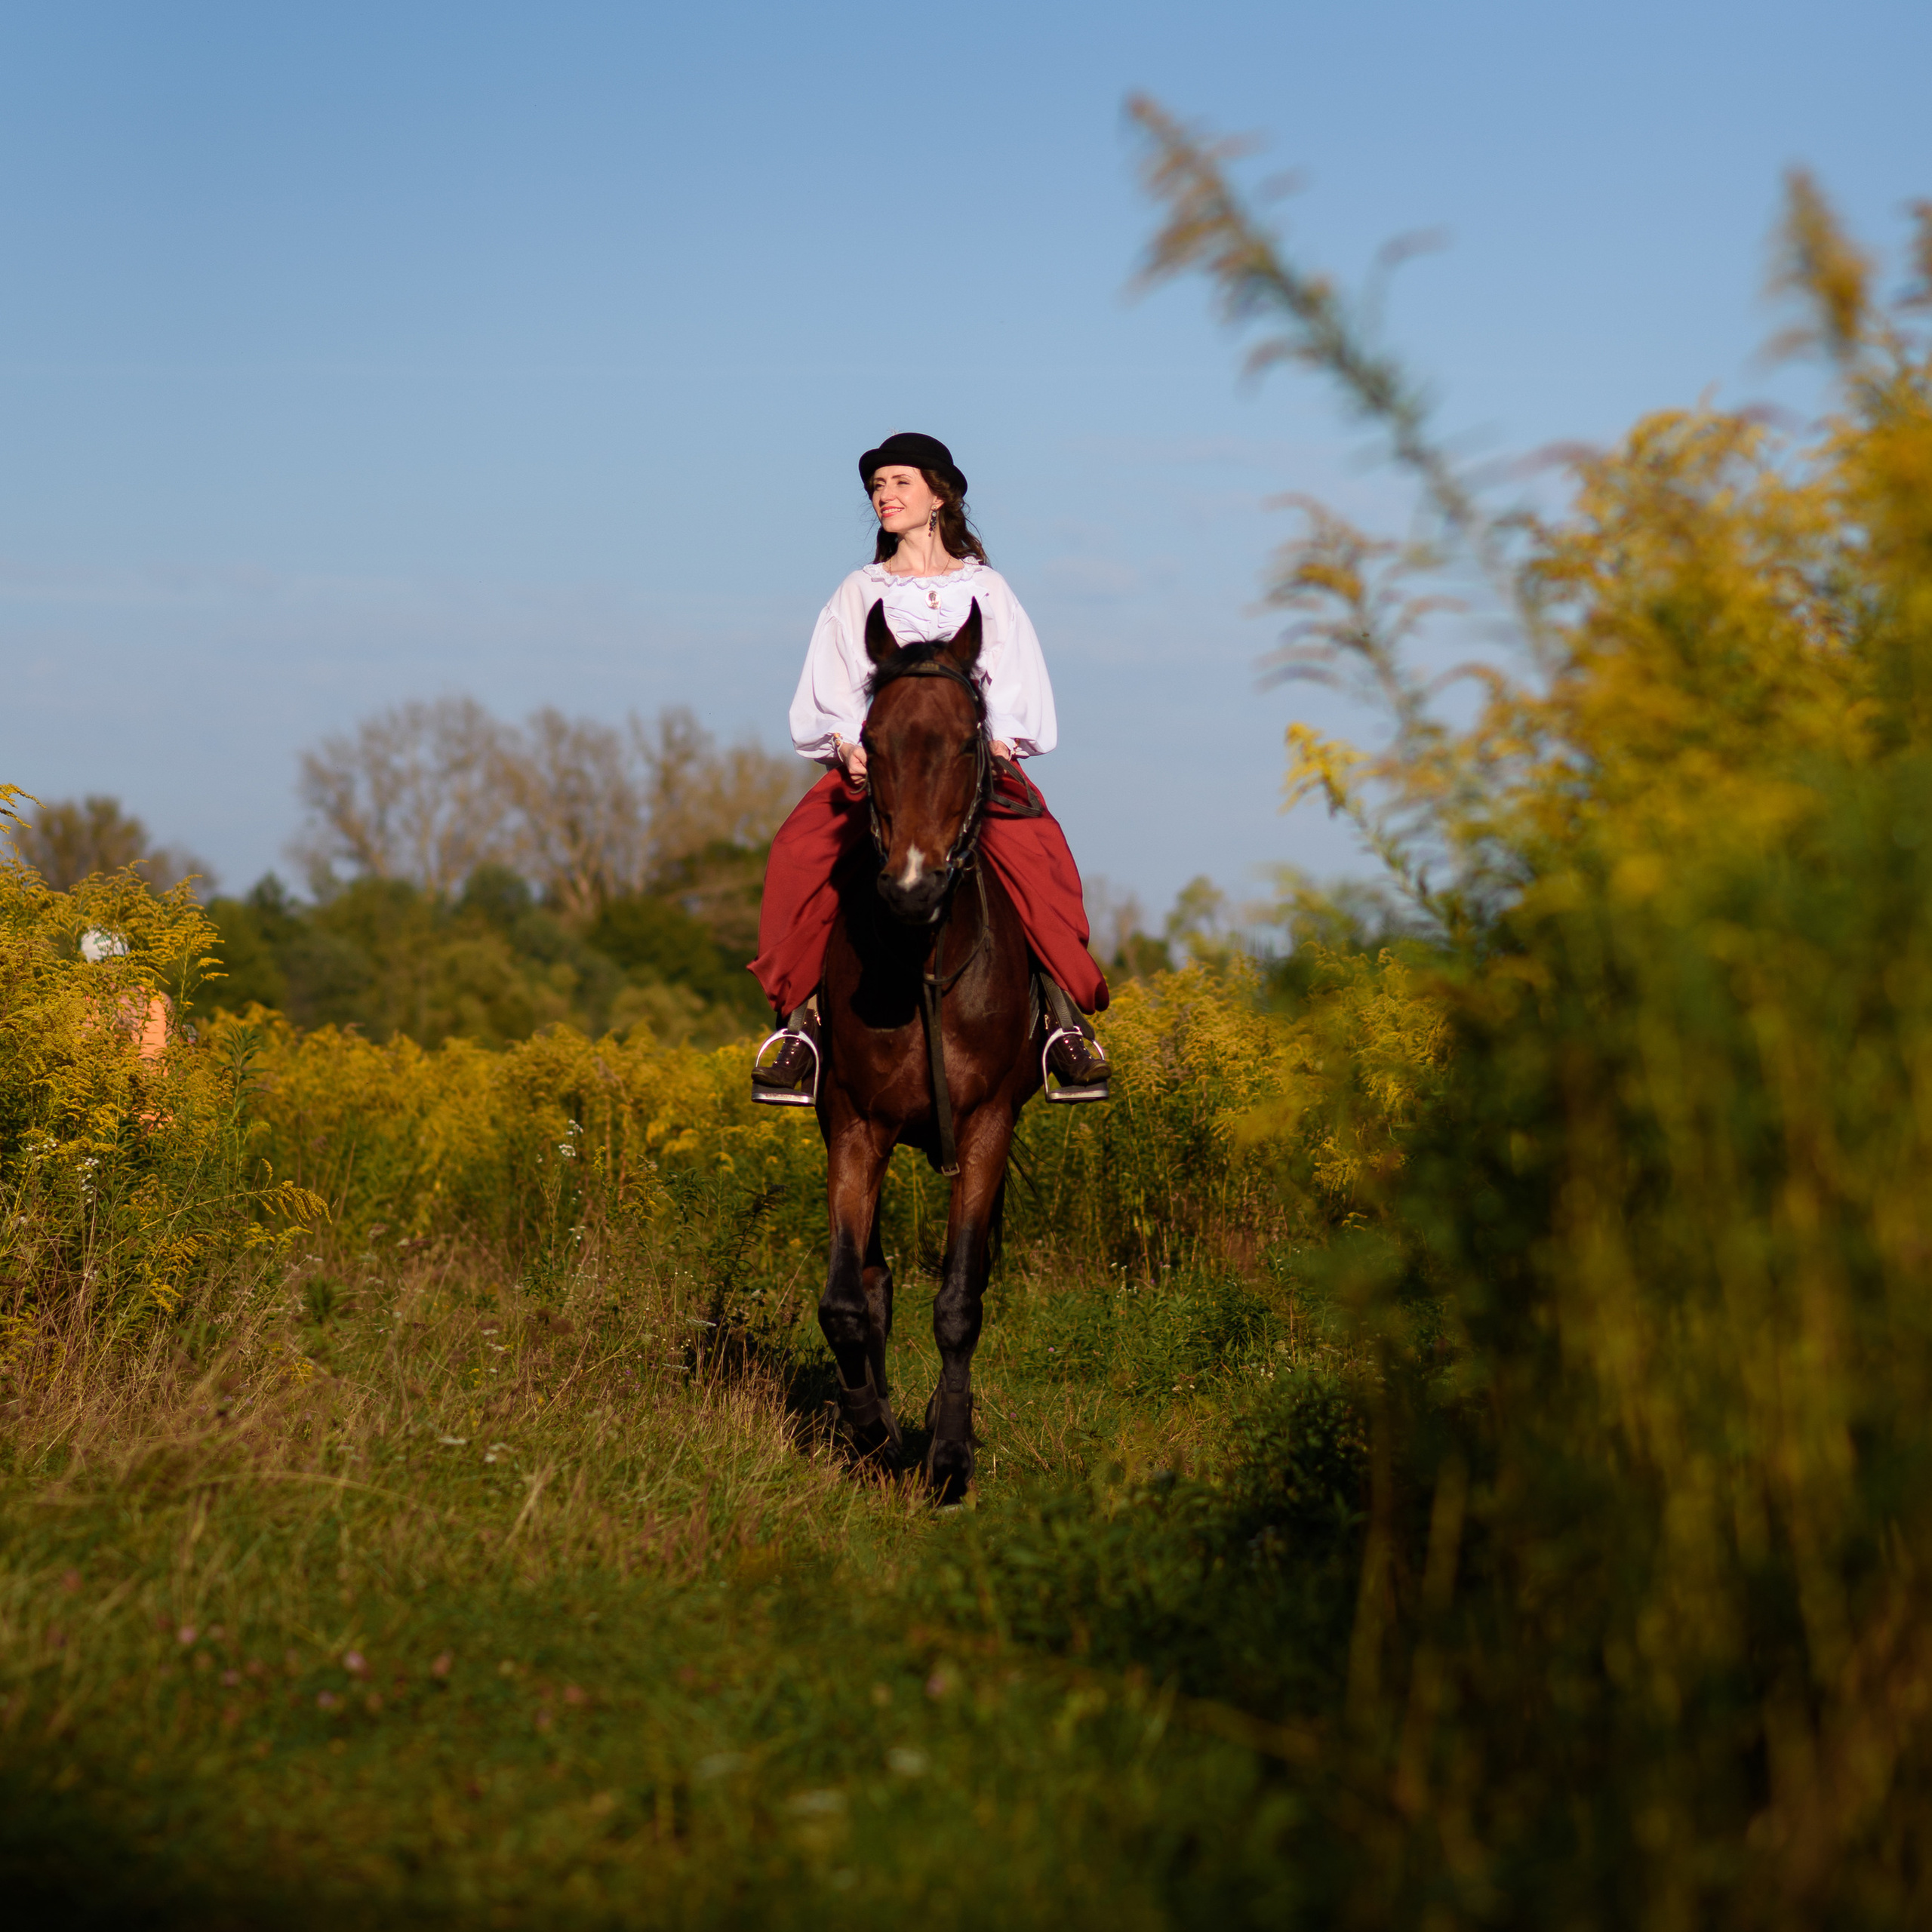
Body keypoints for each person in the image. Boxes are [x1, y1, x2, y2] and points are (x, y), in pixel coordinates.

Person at [749, 431, 1113, 1104]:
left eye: (899, 484)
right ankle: (798, 1026)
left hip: (965, 769)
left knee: (1044, 857)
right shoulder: (860, 591)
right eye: (877, 487)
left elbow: (1013, 678)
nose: (884, 497)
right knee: (796, 855)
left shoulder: (988, 590)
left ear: (939, 496)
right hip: (878, 768)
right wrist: (847, 746)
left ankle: (1065, 1024)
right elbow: (830, 684)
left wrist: (1000, 741)